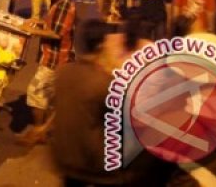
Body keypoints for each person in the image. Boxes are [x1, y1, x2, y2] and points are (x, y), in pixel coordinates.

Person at [52, 19, 165, 185]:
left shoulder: (63, 73)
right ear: (101, 45)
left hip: (63, 159)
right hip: (94, 167)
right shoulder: (102, 82)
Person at [18, 0, 76, 145]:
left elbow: (56, 33)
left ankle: (38, 131)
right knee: (51, 95)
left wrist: (33, 30)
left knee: (35, 92)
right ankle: (47, 128)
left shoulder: (64, 4)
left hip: (56, 59)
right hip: (54, 57)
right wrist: (38, 22)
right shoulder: (57, 2)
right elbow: (53, 23)